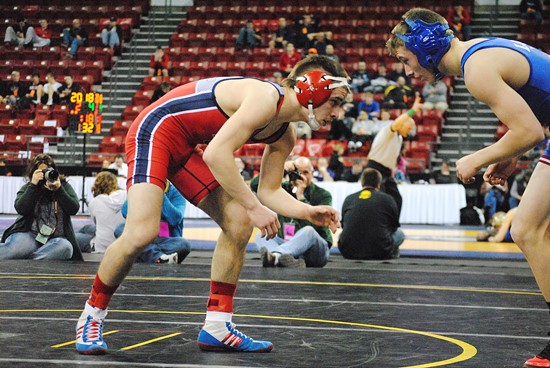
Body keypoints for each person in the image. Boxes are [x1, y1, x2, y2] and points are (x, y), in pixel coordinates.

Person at [73, 55, 348, 355]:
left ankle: (217, 325)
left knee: (239, 221)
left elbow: (269, 191)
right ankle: (91, 316)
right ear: (312, 89)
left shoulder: (285, 135)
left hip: (188, 145)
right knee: (142, 231)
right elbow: (216, 155)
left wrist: (308, 212)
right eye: (334, 101)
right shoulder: (266, 98)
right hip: (156, 130)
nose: (337, 112)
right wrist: (253, 205)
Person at [386, 8, 550, 366]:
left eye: (406, 59)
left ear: (424, 46)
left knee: (528, 228)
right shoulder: (479, 53)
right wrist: (513, 153)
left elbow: (530, 132)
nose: (408, 71)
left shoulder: (477, 70)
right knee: (527, 228)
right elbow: (537, 116)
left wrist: (475, 158)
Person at [251, 157, 333, 268]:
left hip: (315, 251)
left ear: (312, 174)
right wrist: (282, 169)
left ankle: (275, 255)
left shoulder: (323, 195)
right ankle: (278, 258)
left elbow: (317, 229)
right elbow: (256, 185)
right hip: (287, 244)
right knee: (260, 235)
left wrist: (301, 197)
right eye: (297, 173)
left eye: (305, 172)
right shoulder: (282, 189)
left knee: (308, 231)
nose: (301, 177)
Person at [0, 154, 82, 261]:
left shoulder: (63, 186)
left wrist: (59, 189)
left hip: (56, 239)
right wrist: (33, 186)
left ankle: (27, 261)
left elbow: (74, 209)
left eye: (47, 171)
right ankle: (34, 259)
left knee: (66, 248)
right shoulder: (29, 187)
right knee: (12, 250)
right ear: (33, 173)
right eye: (41, 172)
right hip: (30, 235)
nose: (45, 175)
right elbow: (21, 209)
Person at [365, 96, 421, 214]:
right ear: (401, 124)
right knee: (380, 201)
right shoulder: (388, 131)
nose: (410, 131)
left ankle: (392, 226)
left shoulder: (399, 138)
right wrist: (412, 111)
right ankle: (378, 226)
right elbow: (397, 122)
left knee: (396, 199)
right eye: (409, 127)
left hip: (386, 171)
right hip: (374, 169)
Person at [113, 181, 192, 264]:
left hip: (164, 240)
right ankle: (159, 257)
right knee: (120, 229)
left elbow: (175, 219)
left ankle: (144, 254)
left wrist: (160, 194)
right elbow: (125, 212)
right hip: (142, 237)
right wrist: (138, 192)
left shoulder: (176, 193)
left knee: (184, 245)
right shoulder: (142, 189)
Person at [338, 168, 404, 260]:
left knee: (342, 235)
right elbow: (394, 226)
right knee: (400, 234)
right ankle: (392, 253)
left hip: (348, 251)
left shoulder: (349, 199)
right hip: (380, 250)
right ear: (379, 184)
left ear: (361, 182)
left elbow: (344, 225)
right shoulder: (388, 199)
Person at [75, 171, 126, 253]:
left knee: (73, 238)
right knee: (87, 228)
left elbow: (97, 223)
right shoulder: (126, 195)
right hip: (123, 241)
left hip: (102, 249)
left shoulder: (95, 202)